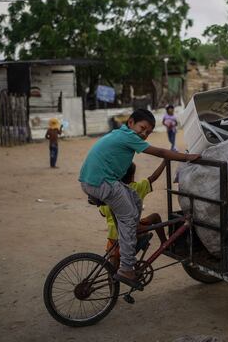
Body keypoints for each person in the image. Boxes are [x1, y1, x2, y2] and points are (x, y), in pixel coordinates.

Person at [79, 108, 200, 289]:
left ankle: (133, 230)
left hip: (95, 180)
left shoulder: (120, 134)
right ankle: (126, 268)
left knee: (134, 197)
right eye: (142, 128)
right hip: (101, 182)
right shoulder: (128, 136)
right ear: (130, 123)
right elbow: (161, 152)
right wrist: (187, 157)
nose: (144, 134)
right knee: (127, 218)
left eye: (148, 132)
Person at [99, 161, 168, 270]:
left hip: (113, 238)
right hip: (130, 233)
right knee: (155, 217)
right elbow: (153, 178)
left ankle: (113, 284)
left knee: (112, 269)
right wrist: (165, 162)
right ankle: (164, 243)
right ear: (131, 176)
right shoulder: (134, 188)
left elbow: (102, 213)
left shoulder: (109, 192)